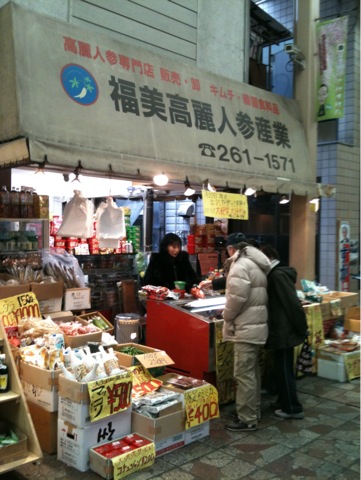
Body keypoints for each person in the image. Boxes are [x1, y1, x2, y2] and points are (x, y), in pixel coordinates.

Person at [222, 233, 271, 432]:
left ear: (232, 248)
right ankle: (253, 410)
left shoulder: (240, 265)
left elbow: (236, 297)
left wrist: (226, 315)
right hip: (256, 325)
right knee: (252, 373)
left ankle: (247, 418)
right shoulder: (256, 263)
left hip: (245, 326)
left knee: (243, 374)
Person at [261, 244, 308, 420]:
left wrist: (302, 328)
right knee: (281, 368)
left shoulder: (277, 275)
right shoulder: (276, 274)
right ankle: (283, 400)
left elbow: (292, 304)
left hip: (283, 331)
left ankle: (292, 407)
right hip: (282, 330)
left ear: (268, 258)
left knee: (284, 369)